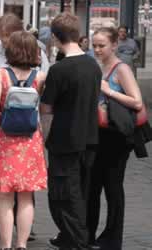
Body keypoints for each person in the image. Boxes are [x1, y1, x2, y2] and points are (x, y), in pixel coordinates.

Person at [0, 12, 49, 241]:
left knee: (5, 196)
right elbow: (43, 105)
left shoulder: (0, 74)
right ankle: (22, 244)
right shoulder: (40, 76)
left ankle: (6, 244)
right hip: (30, 137)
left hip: (4, 137)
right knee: (27, 195)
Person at [40, 12, 102, 250]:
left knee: (63, 195)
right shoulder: (93, 66)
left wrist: (44, 136)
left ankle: (77, 241)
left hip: (64, 140)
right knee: (80, 192)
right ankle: (69, 237)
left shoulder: (59, 70)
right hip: (89, 137)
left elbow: (46, 108)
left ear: (55, 37)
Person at [87, 27, 143, 250]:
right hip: (99, 133)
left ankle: (112, 238)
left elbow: (137, 102)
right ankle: (89, 235)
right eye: (94, 45)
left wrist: (108, 91)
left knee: (112, 187)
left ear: (114, 45)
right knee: (93, 186)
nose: (98, 49)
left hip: (117, 136)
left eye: (102, 45)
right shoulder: (98, 66)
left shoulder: (122, 69)